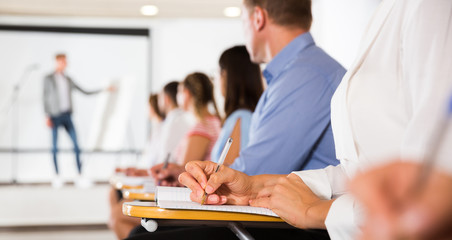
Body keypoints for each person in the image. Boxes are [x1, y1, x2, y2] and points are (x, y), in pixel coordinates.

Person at [180, 0, 452, 239]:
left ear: (258, 18)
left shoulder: (431, 8)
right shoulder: (389, 12)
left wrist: (317, 210)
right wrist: (256, 187)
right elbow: (359, 169)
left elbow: (431, 194)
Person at [228, 0, 345, 175]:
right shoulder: (302, 71)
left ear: (259, 18)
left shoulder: (306, 75)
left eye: (243, 21)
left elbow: (254, 174)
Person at [43, 53, 113, 188]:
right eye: (62, 61)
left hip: (67, 115)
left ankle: (79, 174)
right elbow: (45, 97)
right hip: (54, 115)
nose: (65, 64)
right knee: (55, 147)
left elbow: (84, 91)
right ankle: (57, 176)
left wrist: (104, 90)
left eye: (66, 61)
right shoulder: (48, 79)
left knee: (76, 145)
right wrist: (47, 116)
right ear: (57, 62)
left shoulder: (68, 79)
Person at [151, 73, 221, 186]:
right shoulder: (215, 121)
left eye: (179, 91)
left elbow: (186, 173)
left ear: (186, 94)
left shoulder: (202, 128)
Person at [210, 45, 264, 165]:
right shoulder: (245, 116)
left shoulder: (242, 118)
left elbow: (228, 173)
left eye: (218, 73)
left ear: (226, 75)